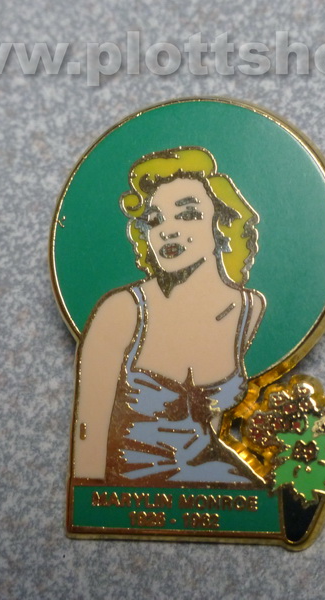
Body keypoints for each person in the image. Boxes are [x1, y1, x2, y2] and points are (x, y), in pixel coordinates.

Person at [71, 147, 265, 486]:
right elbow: (88, 431)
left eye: (187, 214)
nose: (167, 231)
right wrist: (91, 501)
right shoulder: (122, 311)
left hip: (212, 488)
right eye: (154, 220)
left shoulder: (250, 310)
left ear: (222, 224)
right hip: (127, 492)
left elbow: (216, 429)